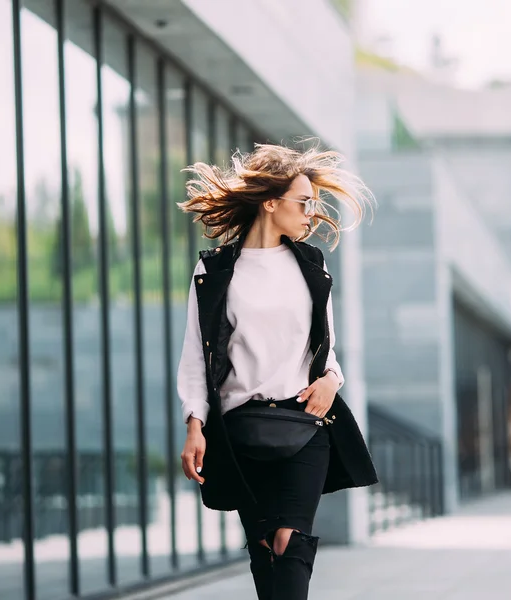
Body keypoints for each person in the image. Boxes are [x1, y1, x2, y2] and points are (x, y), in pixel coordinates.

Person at [177, 142, 378, 600]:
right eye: (303, 202)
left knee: (289, 541)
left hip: (306, 426)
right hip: (241, 430)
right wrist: (195, 424)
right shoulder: (214, 270)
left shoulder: (311, 264)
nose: (312, 212)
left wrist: (331, 380)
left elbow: (326, 350)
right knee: (266, 548)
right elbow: (195, 355)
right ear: (270, 203)